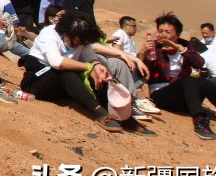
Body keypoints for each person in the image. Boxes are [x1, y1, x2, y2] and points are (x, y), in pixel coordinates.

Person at [23, 11, 155, 135]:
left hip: (63, 86)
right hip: (38, 81)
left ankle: (124, 117)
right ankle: (99, 112)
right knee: (67, 71)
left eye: (82, 42)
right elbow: (57, 62)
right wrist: (89, 67)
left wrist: (97, 67)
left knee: (101, 74)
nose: (78, 44)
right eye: (75, 40)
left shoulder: (83, 40)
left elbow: (90, 58)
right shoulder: (49, 33)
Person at [142, 13, 216, 140]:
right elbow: (143, 73)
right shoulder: (154, 48)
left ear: (177, 34)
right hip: (162, 95)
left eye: (168, 32)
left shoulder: (186, 46)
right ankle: (199, 121)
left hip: (186, 96)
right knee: (188, 80)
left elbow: (199, 63)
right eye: (160, 31)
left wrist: (180, 49)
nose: (163, 35)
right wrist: (142, 52)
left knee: (203, 81)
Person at [107, 16, 161, 116]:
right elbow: (116, 50)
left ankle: (140, 99)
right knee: (140, 68)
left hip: (131, 63)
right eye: (134, 26)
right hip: (122, 64)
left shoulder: (130, 40)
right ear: (126, 26)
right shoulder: (120, 33)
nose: (136, 29)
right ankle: (138, 100)